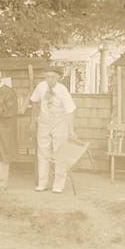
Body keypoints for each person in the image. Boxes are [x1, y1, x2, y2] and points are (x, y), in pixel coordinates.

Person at [29, 65, 77, 194]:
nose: (49, 80)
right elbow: (34, 101)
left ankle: (58, 185)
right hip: (44, 120)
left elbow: (70, 111)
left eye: (52, 77)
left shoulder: (63, 91)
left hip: (60, 121)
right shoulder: (41, 86)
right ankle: (42, 183)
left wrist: (70, 129)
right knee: (43, 152)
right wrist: (34, 119)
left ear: (59, 78)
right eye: (47, 77)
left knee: (59, 153)